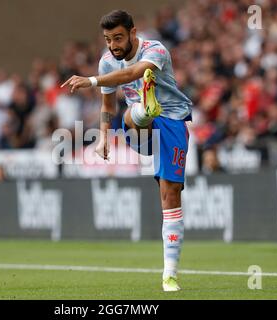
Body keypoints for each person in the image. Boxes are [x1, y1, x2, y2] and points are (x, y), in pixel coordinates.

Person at [61, 10, 192, 292]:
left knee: (170, 193)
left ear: (133, 33)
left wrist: (91, 80)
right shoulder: (107, 62)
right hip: (139, 128)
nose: (113, 45)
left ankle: (169, 274)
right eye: (108, 39)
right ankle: (144, 110)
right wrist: (103, 137)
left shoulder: (155, 49)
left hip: (173, 120)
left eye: (118, 38)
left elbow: (134, 72)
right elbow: (108, 106)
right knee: (131, 117)